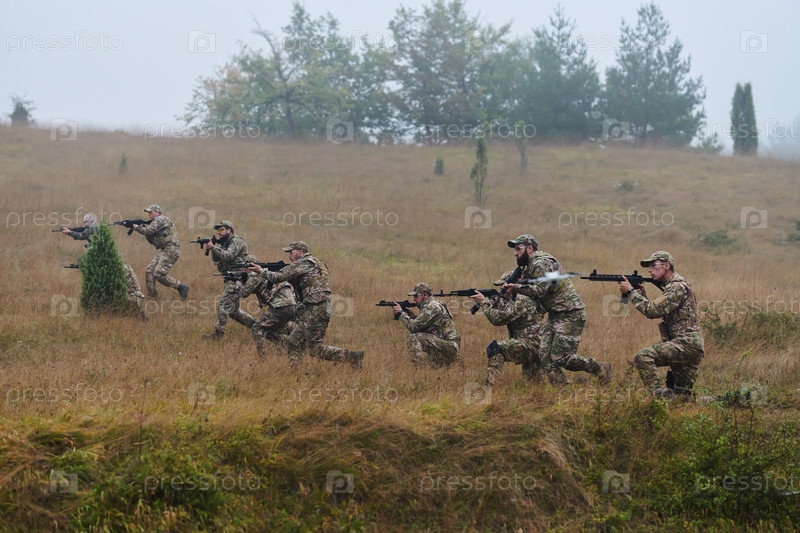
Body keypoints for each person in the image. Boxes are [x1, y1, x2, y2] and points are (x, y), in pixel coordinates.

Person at [502, 234, 612, 385]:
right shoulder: (531, 265)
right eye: (515, 250)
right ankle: (562, 389)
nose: (515, 253)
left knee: (561, 357)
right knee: (545, 356)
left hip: (570, 313)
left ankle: (600, 368)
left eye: (518, 249)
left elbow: (540, 291)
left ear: (529, 248)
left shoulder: (540, 263)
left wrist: (515, 287)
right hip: (555, 314)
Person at [247, 241, 363, 369]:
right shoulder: (317, 263)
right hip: (319, 307)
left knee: (300, 344)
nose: (289, 256)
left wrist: (261, 271)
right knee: (308, 347)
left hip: (316, 308)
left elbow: (279, 277)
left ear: (300, 252)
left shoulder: (305, 262)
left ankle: (296, 372)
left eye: (291, 252)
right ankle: (352, 357)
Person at [618, 251, 704, 399]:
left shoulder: (677, 287)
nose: (650, 270)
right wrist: (642, 297)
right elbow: (659, 310)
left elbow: (652, 311)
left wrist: (631, 292)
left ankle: (659, 396)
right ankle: (728, 400)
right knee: (683, 398)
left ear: (666, 265)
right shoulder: (673, 287)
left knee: (643, 356)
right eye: (649, 267)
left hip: (686, 344)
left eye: (654, 265)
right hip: (689, 344)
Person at [470, 271, 545, 386]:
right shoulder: (524, 297)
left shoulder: (520, 299)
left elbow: (498, 319)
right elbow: (510, 313)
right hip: (538, 344)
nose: (502, 288)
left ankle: (489, 386)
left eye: (504, 285)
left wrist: (484, 303)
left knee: (495, 349)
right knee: (534, 385)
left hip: (531, 344)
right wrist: (496, 303)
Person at [202, 220, 256, 340]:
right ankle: (257, 326)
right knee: (233, 311)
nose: (219, 232)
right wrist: (213, 248)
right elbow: (216, 259)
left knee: (223, 306)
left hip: (237, 279)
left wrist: (213, 247)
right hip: (230, 279)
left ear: (229, 230)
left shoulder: (237, 242)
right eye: (218, 230)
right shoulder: (225, 243)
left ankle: (218, 335)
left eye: (222, 229)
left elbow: (228, 256)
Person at [390, 282, 461, 368]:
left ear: (425, 295)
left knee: (414, 337)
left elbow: (413, 327)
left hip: (450, 346)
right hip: (448, 345)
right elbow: (424, 326)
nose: (414, 299)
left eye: (416, 296)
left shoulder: (431, 307)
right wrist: (412, 316)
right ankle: (439, 364)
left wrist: (401, 314)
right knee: (422, 336)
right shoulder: (432, 305)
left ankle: (421, 368)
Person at [132, 205, 189, 301]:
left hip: (171, 249)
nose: (149, 214)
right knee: (149, 271)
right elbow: (152, 240)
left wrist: (135, 227)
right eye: (148, 213)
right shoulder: (157, 223)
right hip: (165, 249)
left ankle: (181, 287)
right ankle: (152, 296)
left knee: (158, 274)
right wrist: (139, 227)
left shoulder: (160, 219)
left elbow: (149, 231)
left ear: (157, 212)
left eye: (151, 212)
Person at [237, 271, 297, 357]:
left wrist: (236, 282)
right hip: (291, 305)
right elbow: (253, 289)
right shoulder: (265, 272)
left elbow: (244, 293)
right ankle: (295, 345)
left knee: (257, 328)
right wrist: (243, 279)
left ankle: (263, 357)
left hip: (280, 306)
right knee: (276, 331)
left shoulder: (255, 275)